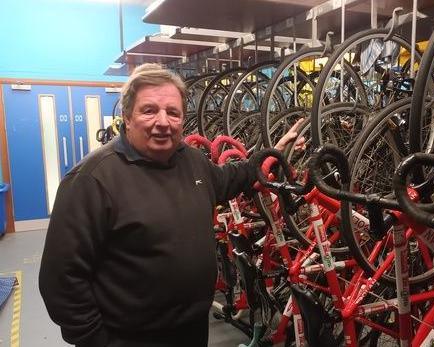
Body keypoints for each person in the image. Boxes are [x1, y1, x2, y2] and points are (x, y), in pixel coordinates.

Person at [39, 63, 302, 347]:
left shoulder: (192, 161)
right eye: (149, 110)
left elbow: (232, 178)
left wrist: (274, 154)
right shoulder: (92, 180)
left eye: (172, 113)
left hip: (191, 332)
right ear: (127, 117)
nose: (163, 122)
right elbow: (61, 282)